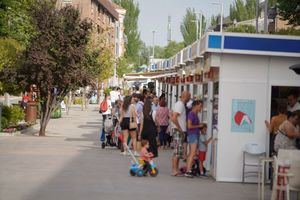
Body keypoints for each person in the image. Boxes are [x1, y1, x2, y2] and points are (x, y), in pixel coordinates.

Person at [171, 91, 191, 176]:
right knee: (177, 151)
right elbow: (174, 118)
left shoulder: (179, 104)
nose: (189, 98)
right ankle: (174, 170)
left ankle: (176, 169)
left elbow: (172, 115)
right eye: (189, 97)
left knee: (178, 151)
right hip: (178, 130)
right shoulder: (180, 105)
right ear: (185, 96)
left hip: (178, 130)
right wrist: (180, 129)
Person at [185, 100, 204, 178]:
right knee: (192, 153)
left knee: (191, 154)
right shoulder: (191, 114)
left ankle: (188, 170)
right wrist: (198, 126)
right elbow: (189, 126)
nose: (201, 108)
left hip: (194, 135)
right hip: (192, 135)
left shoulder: (195, 114)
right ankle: (188, 171)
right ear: (195, 105)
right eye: (200, 106)